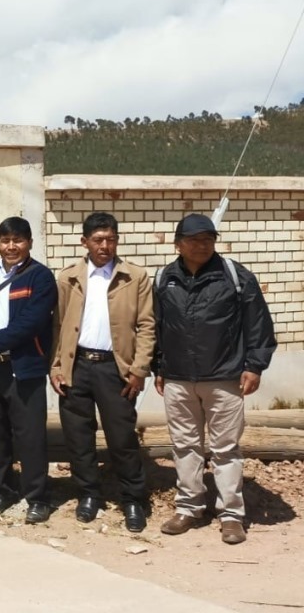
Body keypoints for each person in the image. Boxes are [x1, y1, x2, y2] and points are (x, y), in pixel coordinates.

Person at [153, 213, 276, 545]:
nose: (203, 245)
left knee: (225, 449)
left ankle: (231, 515)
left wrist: (255, 366)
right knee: (185, 447)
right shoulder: (165, 278)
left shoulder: (235, 276)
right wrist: (159, 367)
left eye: (208, 239)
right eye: (194, 239)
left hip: (225, 377)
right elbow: (157, 327)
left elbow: (259, 325)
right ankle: (189, 508)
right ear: (178, 244)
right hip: (178, 380)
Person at [49, 212, 155, 533]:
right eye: (98, 240)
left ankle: (134, 499)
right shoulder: (68, 277)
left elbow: (147, 325)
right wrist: (56, 366)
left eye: (110, 239)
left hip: (115, 369)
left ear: (117, 241)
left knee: (122, 438)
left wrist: (139, 369)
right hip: (76, 367)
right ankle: (88, 495)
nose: (105, 246)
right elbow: (58, 325)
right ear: (85, 242)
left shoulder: (134, 277)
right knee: (79, 437)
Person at [0, 217, 57, 524]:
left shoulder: (40, 277)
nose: (11, 246)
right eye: (5, 240)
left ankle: (37, 497)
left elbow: (33, 320)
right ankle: (2, 491)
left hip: (24, 368)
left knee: (29, 436)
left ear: (29, 242)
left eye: (18, 240)